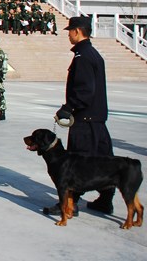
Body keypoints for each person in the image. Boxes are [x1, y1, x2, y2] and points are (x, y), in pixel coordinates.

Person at [44, 16, 115, 216]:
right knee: (104, 161)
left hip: (85, 119)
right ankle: (105, 200)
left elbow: (85, 90)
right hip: (97, 119)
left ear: (77, 31)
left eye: (70, 31)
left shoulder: (82, 56)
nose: (68, 35)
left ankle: (70, 204)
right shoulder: (92, 53)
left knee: (77, 163)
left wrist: (68, 107)